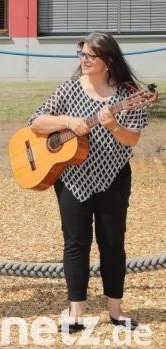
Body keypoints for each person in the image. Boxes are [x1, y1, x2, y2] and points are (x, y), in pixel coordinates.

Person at [28, 32, 153, 333]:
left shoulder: (128, 94)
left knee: (112, 243)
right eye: (81, 54)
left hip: (113, 176)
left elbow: (132, 138)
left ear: (108, 60)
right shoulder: (69, 89)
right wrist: (68, 122)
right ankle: (75, 313)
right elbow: (35, 121)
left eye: (89, 56)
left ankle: (116, 311)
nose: (83, 60)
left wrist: (113, 125)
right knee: (75, 242)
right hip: (72, 178)